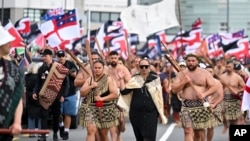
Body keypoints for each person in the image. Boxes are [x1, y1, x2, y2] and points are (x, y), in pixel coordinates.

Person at [171, 54, 218, 141]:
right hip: (186, 107)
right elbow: (174, 90)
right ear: (186, 62)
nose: (191, 63)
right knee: (187, 131)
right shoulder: (181, 74)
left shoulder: (205, 73)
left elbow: (214, 87)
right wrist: (184, 82)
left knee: (199, 134)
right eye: (189, 61)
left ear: (197, 62)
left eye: (193, 61)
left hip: (200, 106)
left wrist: (204, 94)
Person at [120, 58, 167, 141]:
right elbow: (124, 92)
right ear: (139, 67)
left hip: (151, 113)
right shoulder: (134, 79)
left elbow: (159, 97)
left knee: (149, 138)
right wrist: (121, 79)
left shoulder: (155, 79)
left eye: (146, 66)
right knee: (140, 138)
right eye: (142, 67)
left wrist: (160, 112)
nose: (144, 68)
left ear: (149, 67)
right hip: (136, 114)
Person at [32, 49, 69, 141]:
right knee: (43, 116)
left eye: (45, 56)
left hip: (56, 97)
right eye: (42, 56)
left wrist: (63, 95)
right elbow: (37, 82)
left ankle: (55, 134)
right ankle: (43, 135)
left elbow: (66, 84)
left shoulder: (59, 68)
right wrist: (34, 92)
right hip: (44, 97)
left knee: (56, 117)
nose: (43, 58)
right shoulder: (41, 69)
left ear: (50, 56)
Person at [80, 59, 119, 141]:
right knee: (91, 131)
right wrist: (91, 86)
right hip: (90, 107)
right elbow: (82, 93)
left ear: (103, 68)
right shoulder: (90, 80)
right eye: (95, 68)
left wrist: (102, 98)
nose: (97, 69)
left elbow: (115, 94)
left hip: (104, 108)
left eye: (99, 68)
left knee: (103, 134)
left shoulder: (108, 79)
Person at [0, 26, 23, 141]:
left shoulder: (13, 70)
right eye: (6, 41)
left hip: (4, 130)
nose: (10, 43)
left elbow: (17, 97)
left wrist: (17, 122)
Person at [107, 51, 131, 141]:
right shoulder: (106, 69)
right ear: (109, 59)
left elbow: (129, 82)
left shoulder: (123, 69)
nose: (113, 60)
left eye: (115, 58)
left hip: (121, 97)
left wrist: (121, 80)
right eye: (112, 58)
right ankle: (114, 138)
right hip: (110, 97)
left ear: (118, 58)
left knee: (120, 120)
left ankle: (119, 132)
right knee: (112, 119)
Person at [56, 50, 78, 140]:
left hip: (70, 92)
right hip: (59, 93)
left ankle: (66, 131)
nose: (61, 58)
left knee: (68, 114)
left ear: (65, 56)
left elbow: (77, 74)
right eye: (59, 56)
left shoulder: (71, 64)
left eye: (62, 56)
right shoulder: (55, 66)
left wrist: (74, 75)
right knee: (58, 114)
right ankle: (61, 126)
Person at [219, 60, 245, 134]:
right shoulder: (222, 77)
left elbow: (244, 88)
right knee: (228, 118)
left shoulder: (238, 77)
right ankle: (226, 126)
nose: (228, 68)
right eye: (226, 67)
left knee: (235, 120)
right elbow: (218, 88)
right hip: (225, 100)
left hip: (235, 100)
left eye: (229, 67)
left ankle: (233, 135)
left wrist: (238, 91)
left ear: (233, 67)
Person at [205, 65, 224, 141]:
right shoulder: (199, 82)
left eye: (211, 72)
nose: (209, 73)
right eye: (207, 71)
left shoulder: (217, 83)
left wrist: (214, 104)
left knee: (210, 127)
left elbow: (221, 96)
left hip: (213, 107)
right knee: (199, 128)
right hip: (200, 107)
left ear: (213, 73)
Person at [25, 63, 41, 138]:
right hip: (36, 95)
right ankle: (40, 131)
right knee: (40, 114)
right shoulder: (37, 77)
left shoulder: (26, 77)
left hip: (29, 96)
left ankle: (31, 132)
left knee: (31, 115)